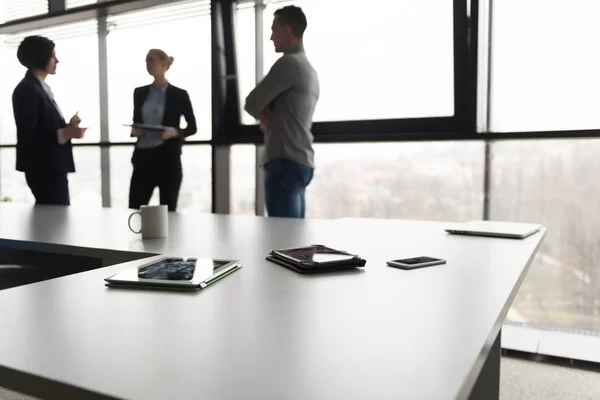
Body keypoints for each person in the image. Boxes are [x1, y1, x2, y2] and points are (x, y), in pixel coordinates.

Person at [245, 5, 319, 219]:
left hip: (284, 161)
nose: (270, 37)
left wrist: (266, 113)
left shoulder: (288, 63)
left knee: (283, 242)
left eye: (273, 30)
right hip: (300, 160)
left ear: (287, 30)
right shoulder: (308, 69)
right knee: (295, 240)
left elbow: (251, 103)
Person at [12, 35, 87, 206]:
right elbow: (29, 135)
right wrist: (65, 133)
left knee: (53, 221)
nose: (57, 60)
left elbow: (41, 127)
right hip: (44, 168)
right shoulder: (28, 89)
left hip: (49, 166)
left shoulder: (37, 88)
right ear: (41, 56)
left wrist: (67, 128)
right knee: (54, 222)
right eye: (53, 55)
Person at [129, 49, 197, 212]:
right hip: (143, 158)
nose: (148, 64)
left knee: (168, 212)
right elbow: (136, 121)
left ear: (163, 63)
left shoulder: (179, 94)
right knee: (134, 209)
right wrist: (135, 130)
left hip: (167, 159)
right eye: (146, 60)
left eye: (151, 60)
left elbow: (192, 127)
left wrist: (174, 132)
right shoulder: (140, 93)